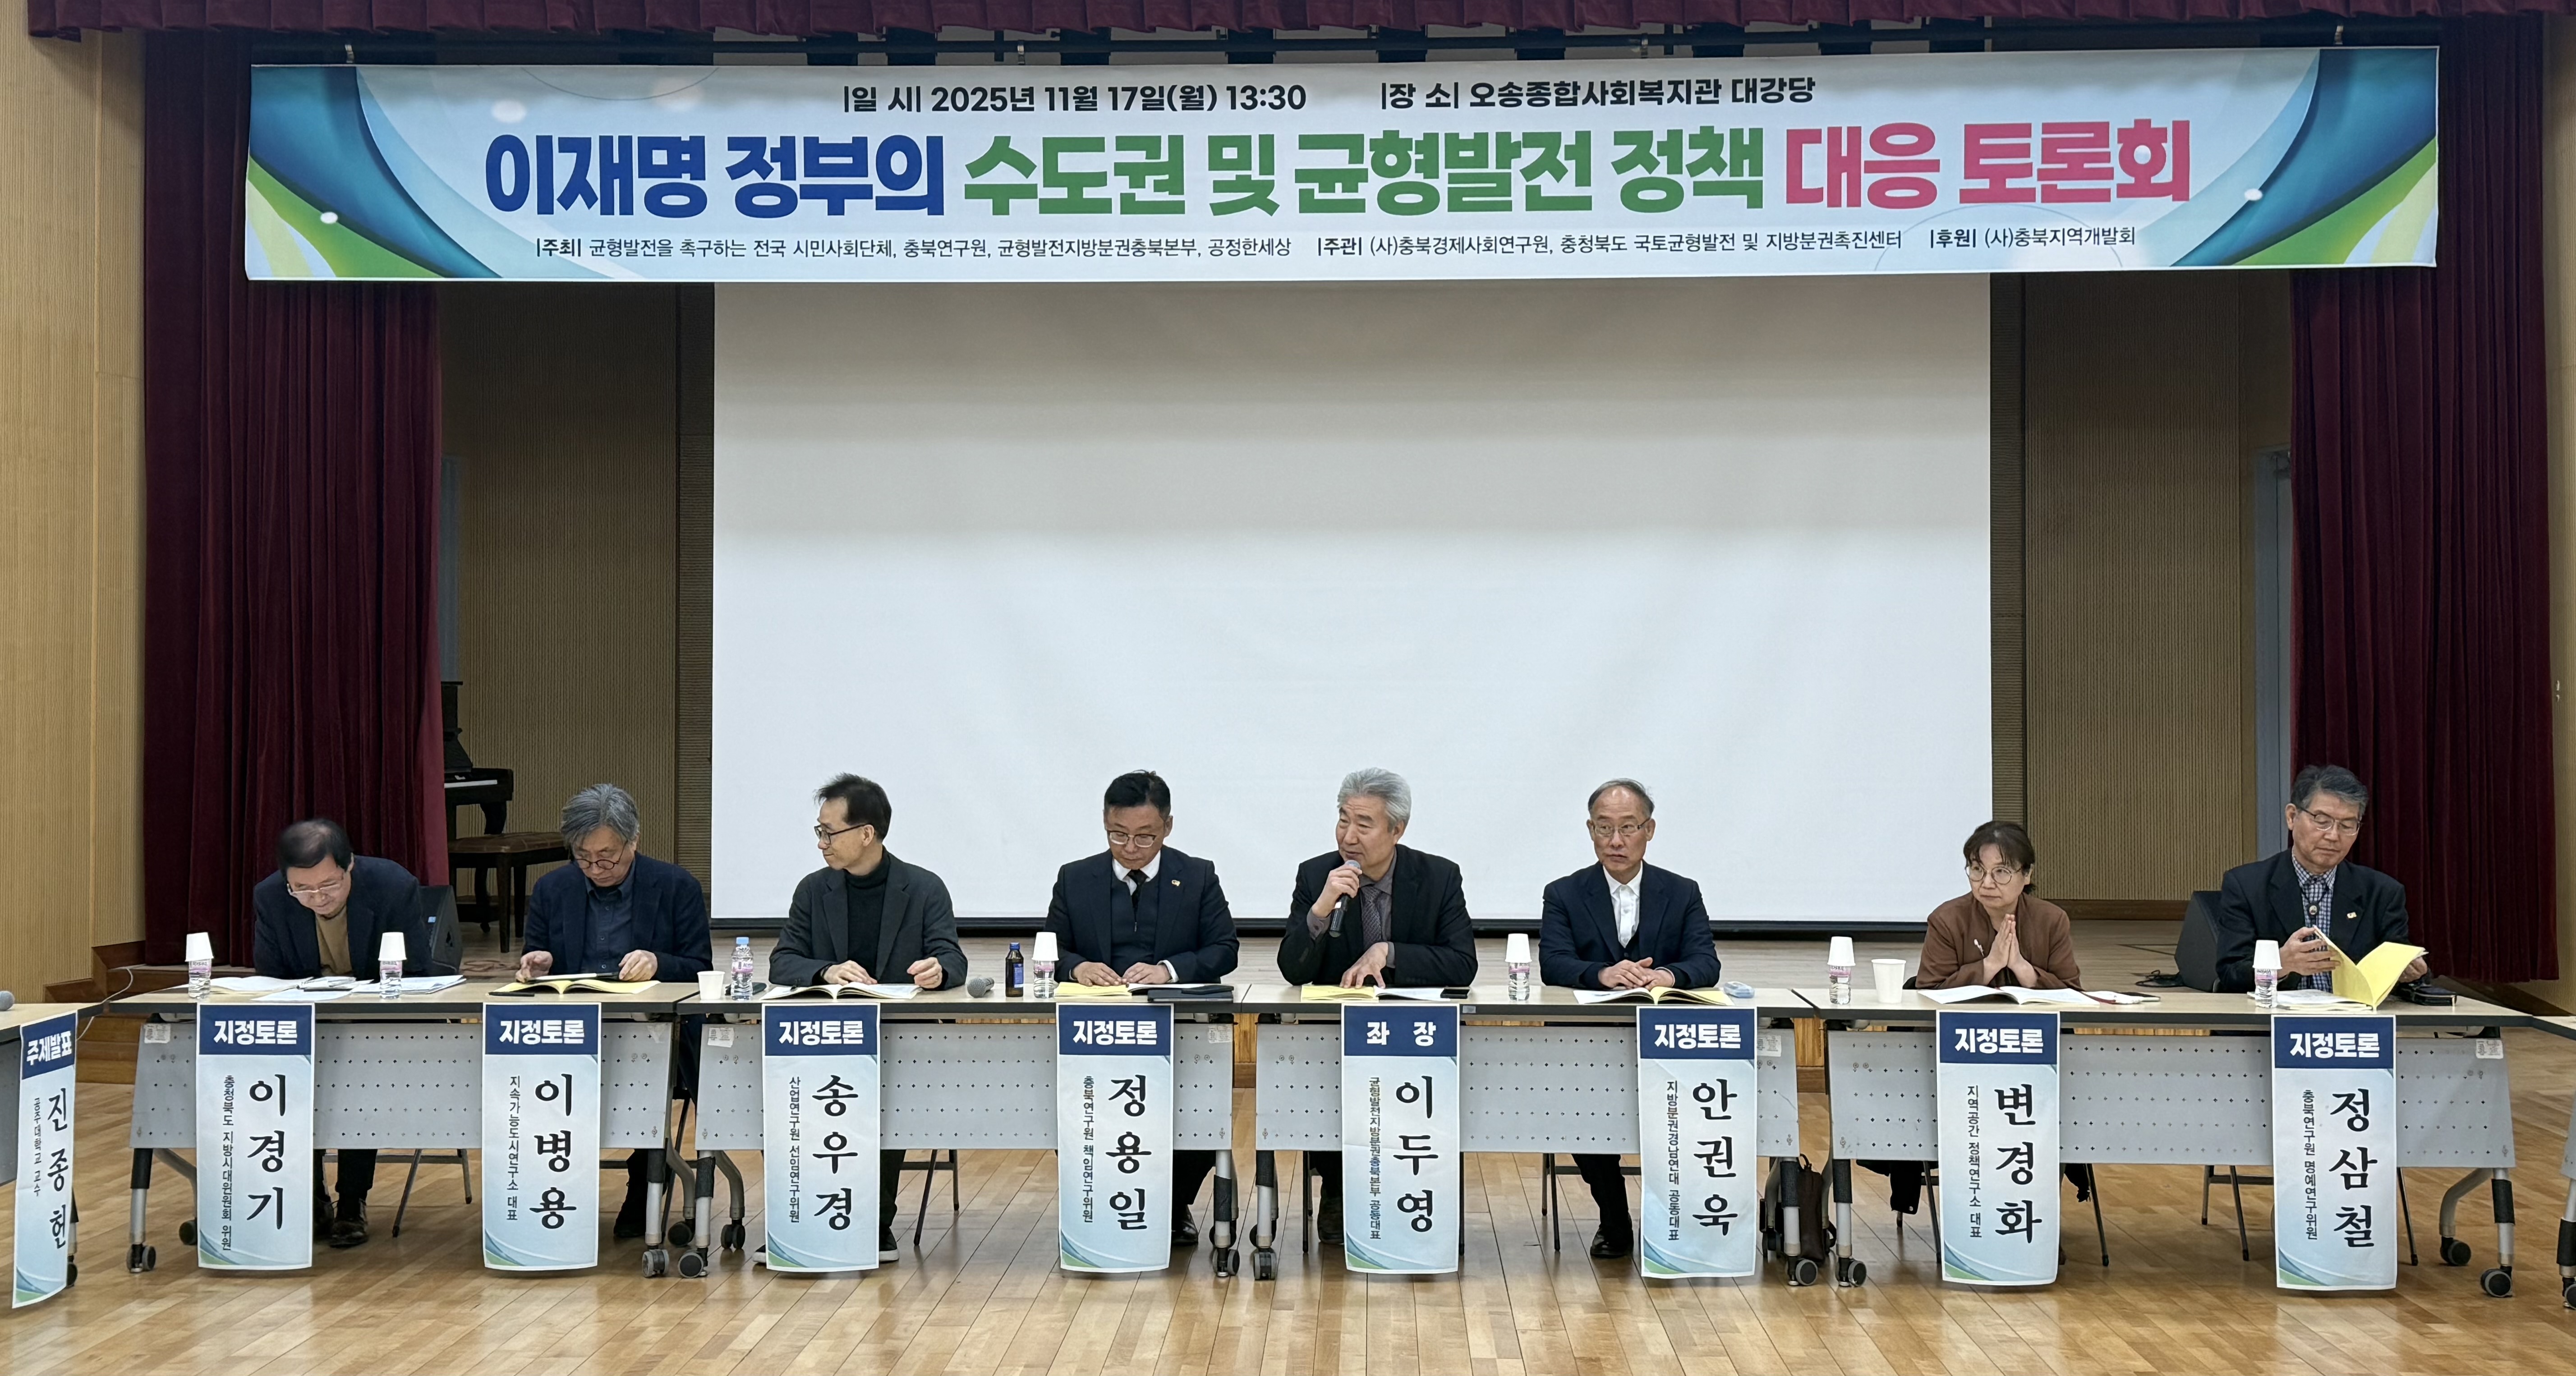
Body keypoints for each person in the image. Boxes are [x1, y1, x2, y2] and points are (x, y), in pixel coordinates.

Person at [772, 773, 967, 1262]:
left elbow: (953, 959)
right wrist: (826, 971)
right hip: (824, 1037)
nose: (821, 843)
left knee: (882, 1093)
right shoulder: (814, 890)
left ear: (867, 833)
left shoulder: (923, 888)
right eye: (818, 832)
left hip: (897, 1038)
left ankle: (873, 1220)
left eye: (829, 832)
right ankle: (803, 1215)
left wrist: (938, 970)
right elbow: (782, 962)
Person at [1278, 767, 1477, 1243]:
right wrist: (1321, 909)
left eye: (1364, 824)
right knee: (1326, 1086)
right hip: (1339, 1035)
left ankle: (1420, 1192)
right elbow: (1293, 969)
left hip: (1416, 1036)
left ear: (1397, 830)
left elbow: (1462, 963)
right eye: (1343, 820)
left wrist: (1390, 952)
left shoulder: (1438, 877)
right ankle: (1337, 1190)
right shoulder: (1316, 875)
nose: (1349, 836)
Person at [1041, 769, 1240, 1245]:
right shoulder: (1075, 878)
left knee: (1199, 1109)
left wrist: (1169, 970)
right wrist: (1077, 967)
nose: (1130, 848)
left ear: (1167, 826)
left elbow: (1225, 949)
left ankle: (1171, 1205)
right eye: (1118, 835)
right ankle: (1106, 1197)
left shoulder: (1197, 875)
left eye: (1145, 837)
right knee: (1077, 1112)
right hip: (1095, 1031)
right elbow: (1053, 948)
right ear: (1104, 822)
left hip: (1176, 1027)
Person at [1536, 779, 1720, 1260]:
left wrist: (1666, 975)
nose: (1615, 841)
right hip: (1586, 1042)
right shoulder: (1564, 893)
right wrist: (1603, 973)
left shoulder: (1681, 892)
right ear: (1590, 831)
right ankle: (1614, 1217)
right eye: (1604, 829)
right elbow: (1554, 964)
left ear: (1649, 830)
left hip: (1665, 1039)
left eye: (1628, 828)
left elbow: (1706, 962)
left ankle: (1677, 1217)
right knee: (1583, 1110)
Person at [519, 783, 712, 1241]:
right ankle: (555, 1187)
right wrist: (537, 964)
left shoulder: (675, 886)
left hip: (653, 1031)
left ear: (633, 841)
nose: (596, 868)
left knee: (649, 1071)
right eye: (584, 857)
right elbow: (536, 959)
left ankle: (644, 1181)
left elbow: (700, 967)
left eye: (607, 857)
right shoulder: (553, 889)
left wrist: (659, 963)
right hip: (575, 1030)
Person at [249, 817, 427, 1249]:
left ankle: (352, 1201)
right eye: (303, 889)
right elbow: (272, 978)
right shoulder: (270, 896)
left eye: (329, 884)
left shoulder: (392, 886)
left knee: (355, 1077)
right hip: (310, 1023)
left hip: (378, 1024)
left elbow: (417, 969)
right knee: (288, 1074)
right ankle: (311, 1198)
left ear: (350, 866)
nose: (317, 897)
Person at [2211, 764, 2426, 994]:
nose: (2334, 836)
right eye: (2322, 821)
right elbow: (2231, 974)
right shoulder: (2247, 886)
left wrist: (2410, 975)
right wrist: (2279, 964)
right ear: (2292, 817)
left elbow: (2401, 968)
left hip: (2351, 1015)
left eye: (2347, 825)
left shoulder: (2382, 893)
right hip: (2276, 1015)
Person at [1915, 820, 2080, 990]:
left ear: (2027, 875)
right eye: (1977, 869)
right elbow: (1929, 989)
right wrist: (1990, 965)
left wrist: (2022, 968)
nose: (1987, 884)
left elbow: (2072, 993)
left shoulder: (2052, 920)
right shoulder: (1947, 920)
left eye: (2001, 871)